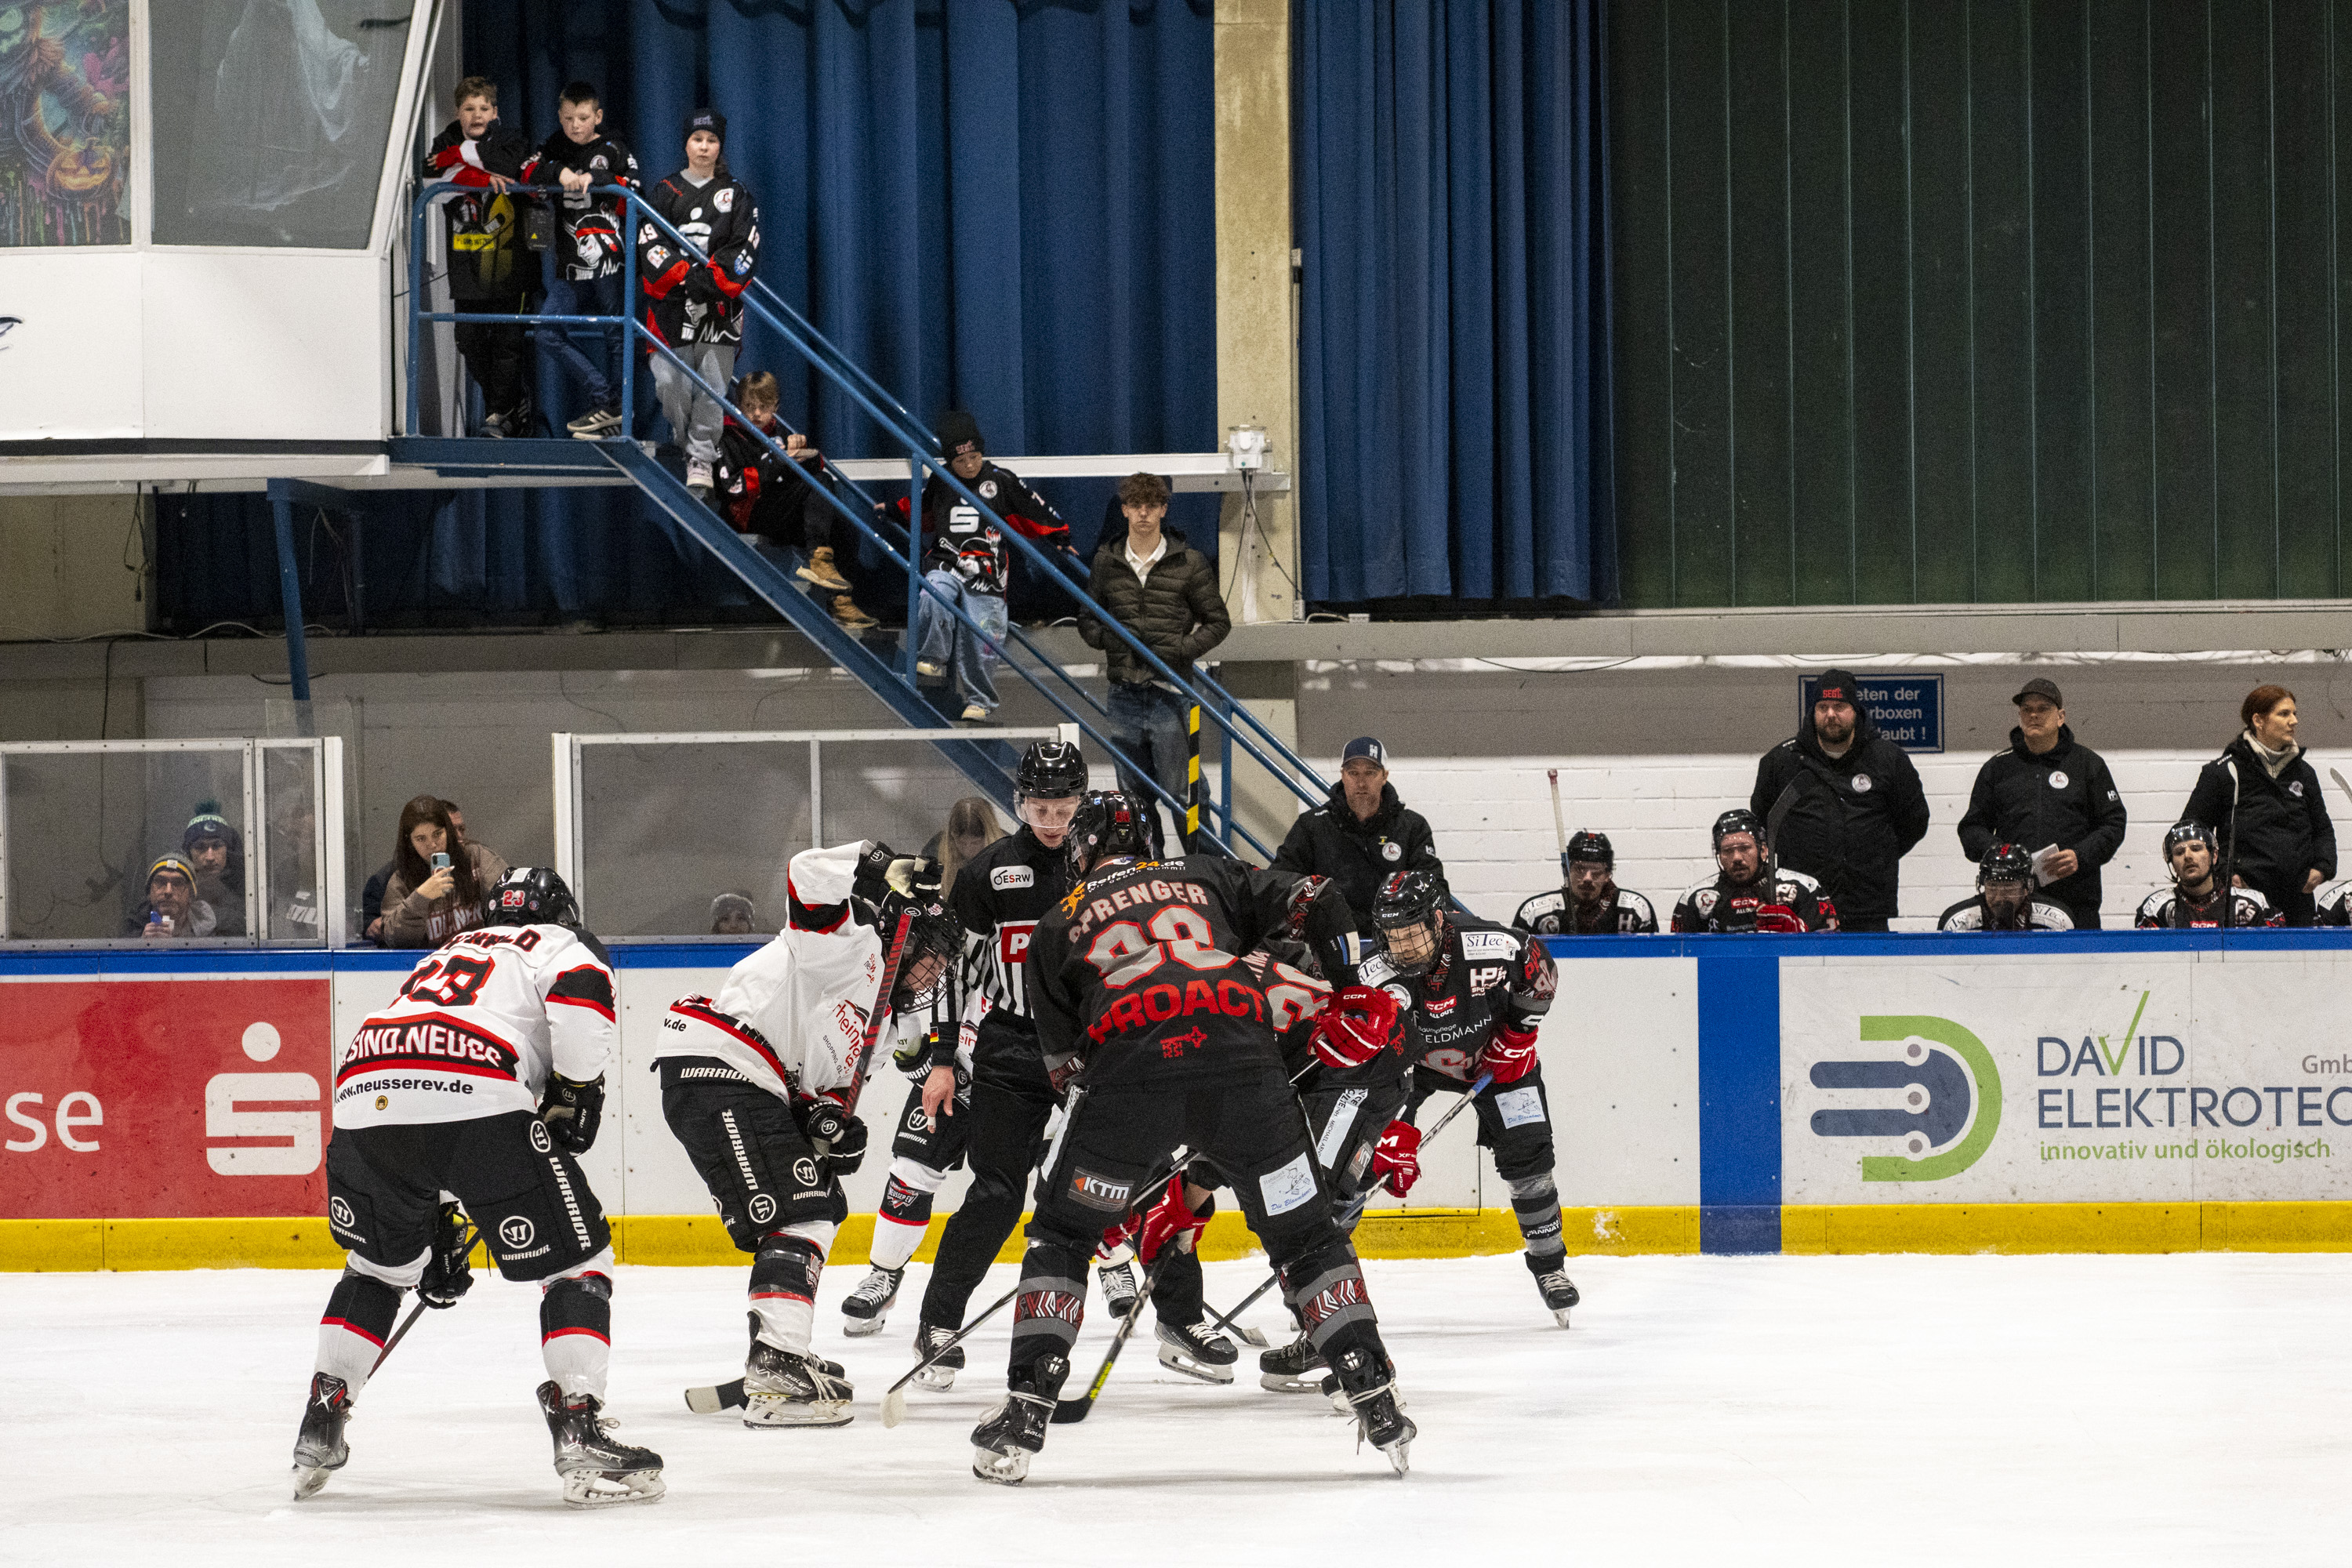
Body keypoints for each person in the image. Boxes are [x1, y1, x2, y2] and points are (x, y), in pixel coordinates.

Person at [984, 789, 1413, 1484]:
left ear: (1084, 851)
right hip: (1247, 1073)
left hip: (1129, 1076)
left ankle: (1028, 1404)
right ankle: (1373, 1389)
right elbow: (1322, 896)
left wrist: (1133, 1142)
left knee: (1062, 1238)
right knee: (1307, 1239)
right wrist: (1354, 987)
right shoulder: (1210, 874)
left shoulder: (1056, 924)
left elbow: (1066, 1070)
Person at [293, 867, 663, 1508]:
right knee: (579, 1263)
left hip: (364, 1093)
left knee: (379, 1269)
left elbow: (421, 1095)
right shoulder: (559, 944)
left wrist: (437, 1227)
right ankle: (577, 1421)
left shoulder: (449, 951)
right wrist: (575, 1089)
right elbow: (579, 1001)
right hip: (477, 1087)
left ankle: (321, 1419)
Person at [850, 744, 1214, 1380]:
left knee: (1143, 1182)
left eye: (1064, 807)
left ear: (1082, 804)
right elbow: (951, 975)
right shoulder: (990, 874)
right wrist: (940, 1058)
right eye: (1040, 807)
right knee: (994, 1194)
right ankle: (937, 1322)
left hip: (1096, 1049)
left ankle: (1179, 1318)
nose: (1051, 820)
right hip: (1012, 1051)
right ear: (1018, 803)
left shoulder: (1108, 870)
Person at [652, 840, 961, 1428]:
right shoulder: (850, 941)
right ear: (909, 938)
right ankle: (777, 1358)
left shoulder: (884, 1018)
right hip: (723, 1062)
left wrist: (826, 1125)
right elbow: (806, 873)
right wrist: (873, 862)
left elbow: (814, 1093)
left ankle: (775, 1349)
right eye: (933, 957)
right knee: (802, 1212)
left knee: (814, 1202)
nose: (936, 973)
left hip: (746, 1080)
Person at [1078, 472, 1229, 848]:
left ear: (1163, 509)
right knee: (1133, 800)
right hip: (1123, 694)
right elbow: (1087, 618)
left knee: (1185, 795)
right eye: (1136, 506)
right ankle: (1148, 874)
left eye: (1152, 506)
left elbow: (1218, 622)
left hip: (1172, 692)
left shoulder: (1190, 563)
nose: (1143, 514)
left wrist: (1182, 650)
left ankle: (1205, 872)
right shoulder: (1105, 561)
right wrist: (1107, 641)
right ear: (1125, 510)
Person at [907, 412, 1074, 723]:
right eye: (960, 461)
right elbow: (922, 509)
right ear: (949, 462)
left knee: (984, 638)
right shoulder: (940, 480)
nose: (969, 465)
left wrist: (1059, 535)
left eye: (974, 456)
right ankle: (932, 656)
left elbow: (1033, 509)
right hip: (947, 560)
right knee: (932, 593)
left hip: (988, 572)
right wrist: (892, 509)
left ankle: (979, 700)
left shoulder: (1001, 479)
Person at [1749, 669, 1929, 931]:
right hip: (1802, 908)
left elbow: (1914, 822)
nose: (1831, 714)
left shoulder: (1889, 760)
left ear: (1856, 711)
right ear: (1813, 712)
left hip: (1868, 906)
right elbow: (1764, 825)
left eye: (1840, 706)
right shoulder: (1781, 762)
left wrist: (1877, 856)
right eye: (1823, 707)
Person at [637, 110, 758, 498]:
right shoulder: (664, 191)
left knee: (712, 387)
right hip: (670, 308)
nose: (704, 147)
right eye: (697, 140)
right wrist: (685, 277)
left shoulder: (737, 194)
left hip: (719, 310)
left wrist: (708, 282)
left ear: (720, 146)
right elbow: (650, 242)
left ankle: (701, 457)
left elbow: (744, 248)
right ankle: (685, 436)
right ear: (686, 144)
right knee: (670, 383)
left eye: (711, 141)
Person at [1955, 677, 2127, 929]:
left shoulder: (2088, 764)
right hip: (2011, 904)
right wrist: (2004, 856)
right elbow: (1971, 830)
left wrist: (2081, 855)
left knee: (2079, 968)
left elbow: (2113, 823)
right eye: (2027, 710)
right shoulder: (1997, 768)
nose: (2034, 715)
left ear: (2060, 716)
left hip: (2076, 899)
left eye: (2043, 709)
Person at [523, 80, 640, 440]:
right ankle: (604, 396)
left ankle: (619, 409)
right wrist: (558, 172)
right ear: (560, 116)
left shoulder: (613, 147)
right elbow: (525, 172)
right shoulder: (553, 147)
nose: (576, 125)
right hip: (569, 267)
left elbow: (636, 189)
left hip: (608, 264)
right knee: (545, 331)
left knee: (617, 333)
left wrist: (600, 177)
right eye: (569, 118)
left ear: (598, 116)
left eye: (584, 118)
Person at [418, 76, 534, 437]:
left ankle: (499, 414)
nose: (477, 115)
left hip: (511, 262)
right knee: (468, 339)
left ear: (495, 112)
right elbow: (430, 176)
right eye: (469, 109)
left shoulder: (511, 137)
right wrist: (479, 176)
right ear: (458, 112)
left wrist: (460, 164)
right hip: (466, 264)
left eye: (484, 108)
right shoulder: (447, 139)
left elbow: (511, 166)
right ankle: (510, 403)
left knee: (506, 343)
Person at [713, 371, 874, 628]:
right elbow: (732, 487)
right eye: (749, 407)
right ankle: (818, 560)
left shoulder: (779, 432)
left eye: (764, 407)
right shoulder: (727, 435)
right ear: (738, 405)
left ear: (776, 406)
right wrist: (779, 459)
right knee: (821, 483)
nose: (756, 414)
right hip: (748, 514)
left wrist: (803, 455)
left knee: (844, 525)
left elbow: (797, 477)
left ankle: (841, 602)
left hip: (778, 511)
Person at [2180, 684, 2337, 926]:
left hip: (2298, 899)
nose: (2294, 721)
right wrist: (2222, 873)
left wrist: (2322, 867)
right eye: (2284, 714)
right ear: (2258, 720)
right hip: (2244, 901)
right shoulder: (2224, 772)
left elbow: (2323, 829)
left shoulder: (2304, 774)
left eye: (2294, 713)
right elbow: (2192, 833)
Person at [1272, 737, 1446, 938]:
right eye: (1353, 773)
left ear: (1384, 776)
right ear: (1342, 776)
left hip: (1396, 942)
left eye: (1370, 773)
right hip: (1330, 942)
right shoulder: (1312, 825)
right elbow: (1280, 882)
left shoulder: (1412, 826)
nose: (1361, 782)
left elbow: (1434, 887)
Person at [1671, 810, 1839, 933]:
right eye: (1728, 851)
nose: (1736, 857)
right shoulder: (1695, 898)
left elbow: (1832, 952)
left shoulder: (1805, 888)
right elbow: (1681, 959)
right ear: (1719, 856)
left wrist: (1799, 934)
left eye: (1745, 848)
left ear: (1764, 850)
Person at [379, 795, 510, 948]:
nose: (433, 844)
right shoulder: (401, 881)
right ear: (410, 842)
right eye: (421, 839)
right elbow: (395, 941)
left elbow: (510, 905)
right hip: (430, 967)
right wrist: (420, 898)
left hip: (481, 960)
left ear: (448, 831)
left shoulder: (477, 858)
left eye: (438, 834)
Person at [2136, 822, 2282, 927]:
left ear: (2214, 855)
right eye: (2179, 852)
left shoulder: (2255, 905)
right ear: (2172, 864)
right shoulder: (2156, 909)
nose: (2187, 856)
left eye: (2196, 848)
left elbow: (2276, 959)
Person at [1512, 831, 1657, 935]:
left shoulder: (1635, 909)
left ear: (1608, 875)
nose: (1588, 878)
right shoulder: (1536, 912)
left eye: (1596, 871)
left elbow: (1653, 963)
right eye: (1580, 869)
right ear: (1567, 871)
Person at [1936, 843, 2076, 931]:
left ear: (2027, 887)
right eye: (1992, 886)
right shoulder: (1958, 923)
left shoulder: (2058, 921)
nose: (1999, 897)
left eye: (2008, 888)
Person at [181, 800, 247, 938]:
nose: (210, 857)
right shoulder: (174, 884)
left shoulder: (250, 885)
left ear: (228, 850)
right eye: (200, 847)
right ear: (189, 853)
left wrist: (221, 893)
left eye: (217, 846)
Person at [924, 795, 1004, 902]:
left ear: (989, 837)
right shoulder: (934, 850)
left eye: (975, 843)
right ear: (952, 837)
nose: (968, 850)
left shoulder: (1006, 849)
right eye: (961, 842)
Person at [127, 853, 216, 938]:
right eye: (160, 882)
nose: (168, 891)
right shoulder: (133, 928)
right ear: (149, 893)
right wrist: (142, 947)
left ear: (191, 895)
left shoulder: (209, 932)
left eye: (178, 884)